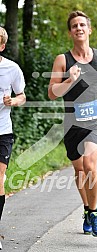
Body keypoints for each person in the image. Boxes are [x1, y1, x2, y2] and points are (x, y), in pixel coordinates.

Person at [48, 11, 97, 237]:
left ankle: (95, 212)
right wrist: (69, 80)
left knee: (90, 163)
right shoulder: (63, 60)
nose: (79, 28)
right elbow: (52, 93)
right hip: (73, 123)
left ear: (89, 30)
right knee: (80, 169)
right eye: (74, 26)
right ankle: (88, 209)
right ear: (70, 32)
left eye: (82, 25)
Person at [0, 27, 26, 249]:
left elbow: (22, 96)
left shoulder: (11, 68)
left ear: (1, 46)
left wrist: (13, 102)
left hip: (2, 131)